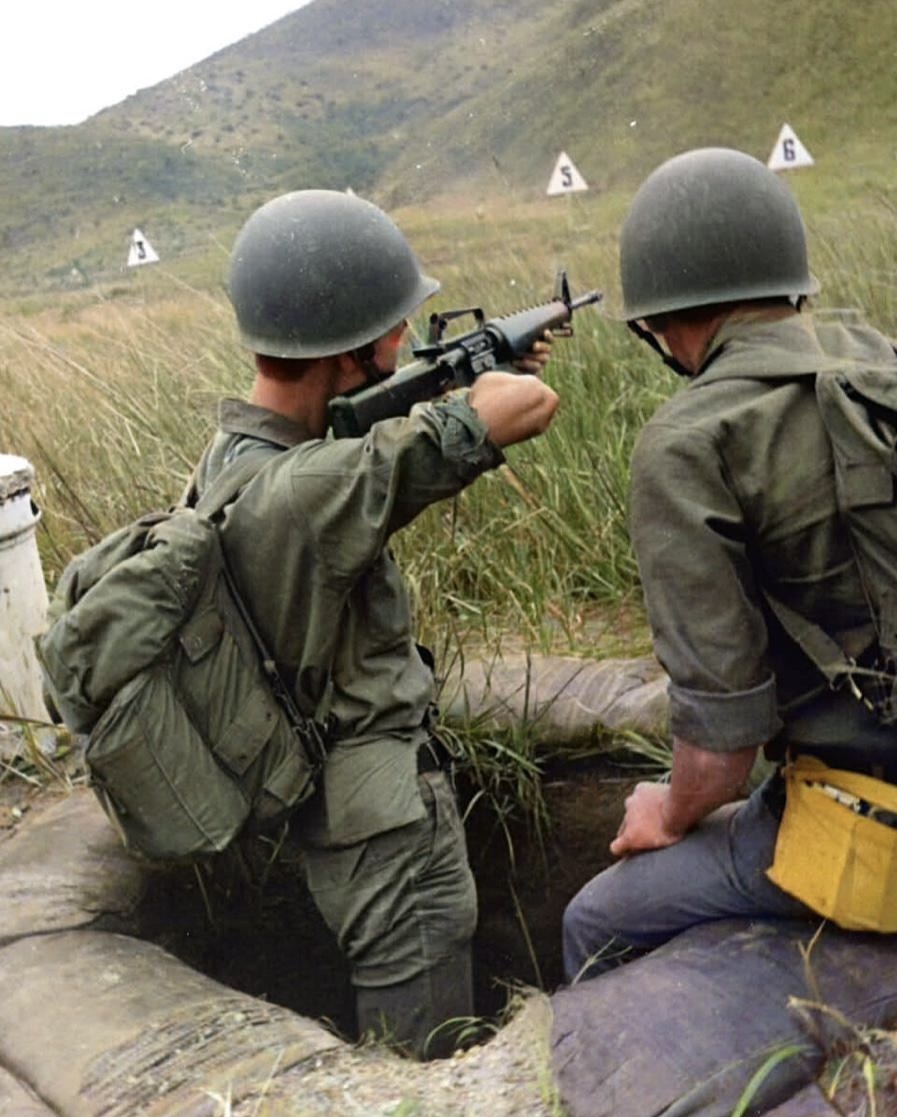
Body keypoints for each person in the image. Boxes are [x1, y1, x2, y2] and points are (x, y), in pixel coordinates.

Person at [561, 147, 897, 981]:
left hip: (879, 841)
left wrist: (666, 812)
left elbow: (719, 759)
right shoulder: (888, 362)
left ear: (669, 321)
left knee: (593, 918)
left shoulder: (687, 444)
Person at [200, 188, 559, 1054]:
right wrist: (485, 383)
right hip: (389, 833)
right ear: (347, 345)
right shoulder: (312, 486)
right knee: (421, 1066)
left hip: (332, 805)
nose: (406, 340)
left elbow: (354, 445)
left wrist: (442, 378)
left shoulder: (239, 457)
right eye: (395, 328)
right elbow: (522, 411)